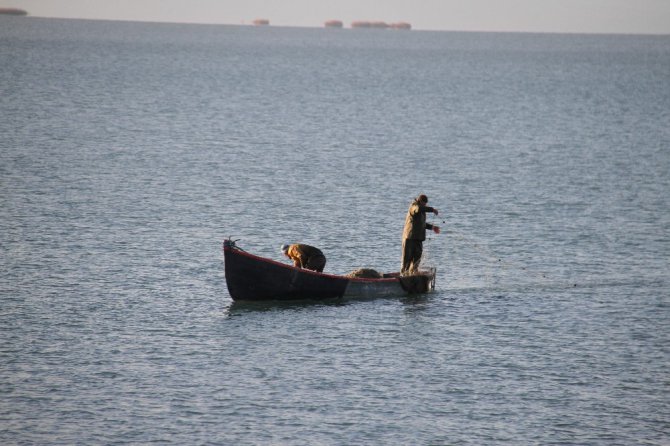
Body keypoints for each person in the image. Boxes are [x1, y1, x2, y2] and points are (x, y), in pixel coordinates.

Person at [401, 194, 440, 274]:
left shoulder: (422, 211)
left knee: (417, 260)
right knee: (407, 260)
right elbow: (418, 209)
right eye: (424, 204)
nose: (425, 205)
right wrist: (432, 209)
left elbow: (421, 223)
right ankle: (404, 275)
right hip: (409, 238)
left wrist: (433, 227)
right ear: (420, 201)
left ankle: (413, 274)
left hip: (418, 239)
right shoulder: (414, 206)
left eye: (426, 204)